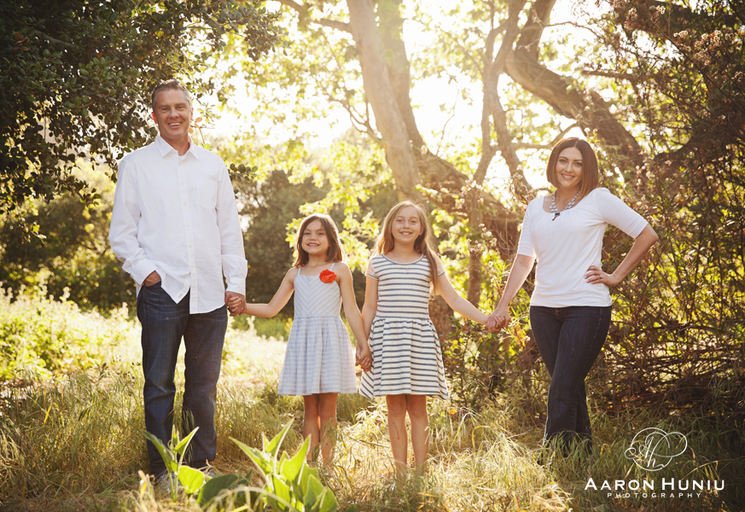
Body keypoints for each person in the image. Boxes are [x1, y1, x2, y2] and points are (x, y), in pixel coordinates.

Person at [109, 79, 247, 480]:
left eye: (180, 107)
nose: (174, 114)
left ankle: (199, 466)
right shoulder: (135, 165)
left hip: (209, 292)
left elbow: (229, 230)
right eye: (165, 108)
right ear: (154, 116)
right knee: (159, 385)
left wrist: (234, 282)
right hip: (161, 291)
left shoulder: (213, 165)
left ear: (191, 113)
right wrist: (146, 272)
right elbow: (122, 233)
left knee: (203, 386)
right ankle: (161, 470)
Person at [487, 137, 659, 454]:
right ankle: (579, 457)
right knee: (569, 385)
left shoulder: (598, 199)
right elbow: (525, 259)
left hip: (586, 307)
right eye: (564, 160)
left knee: (562, 386)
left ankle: (552, 458)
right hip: (542, 310)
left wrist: (616, 275)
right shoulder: (536, 207)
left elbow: (647, 234)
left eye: (578, 163)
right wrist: (503, 304)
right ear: (553, 163)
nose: (569, 168)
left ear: (586, 168)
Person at [359, 201, 490, 475]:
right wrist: (363, 343)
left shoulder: (430, 261)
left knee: (418, 406)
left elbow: (454, 299)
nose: (406, 226)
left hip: (418, 340)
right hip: (386, 340)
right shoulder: (377, 262)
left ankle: (421, 472)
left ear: (421, 229)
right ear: (390, 226)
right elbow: (369, 306)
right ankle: (400, 473)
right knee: (394, 406)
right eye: (400, 220)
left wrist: (486, 318)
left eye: (412, 221)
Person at [228, 214, 371, 463]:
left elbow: (351, 309)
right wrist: (243, 306)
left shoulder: (339, 269)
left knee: (328, 410)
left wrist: (362, 343)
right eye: (307, 233)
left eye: (319, 233)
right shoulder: (295, 273)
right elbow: (273, 308)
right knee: (309, 410)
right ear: (300, 240)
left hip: (330, 342)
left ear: (331, 239)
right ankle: (309, 466)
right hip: (304, 343)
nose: (312, 238)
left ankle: (327, 467)